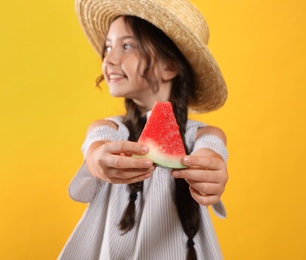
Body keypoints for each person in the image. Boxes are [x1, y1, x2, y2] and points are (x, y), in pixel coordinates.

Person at [59, 0, 228, 259]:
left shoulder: (202, 136)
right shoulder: (111, 129)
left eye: (127, 46)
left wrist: (211, 174)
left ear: (170, 66)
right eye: (107, 47)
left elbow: (212, 153)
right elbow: (96, 147)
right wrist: (97, 160)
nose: (109, 59)